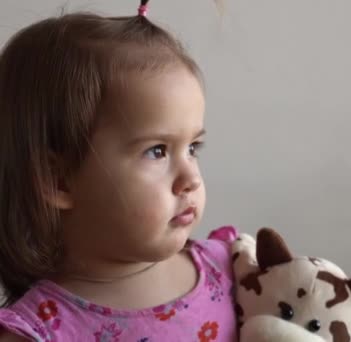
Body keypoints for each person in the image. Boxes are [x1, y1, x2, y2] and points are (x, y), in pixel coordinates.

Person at [0, 0, 238, 340]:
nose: (192, 179)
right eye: (157, 151)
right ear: (59, 180)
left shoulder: (233, 269)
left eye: (193, 148)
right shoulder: (39, 333)